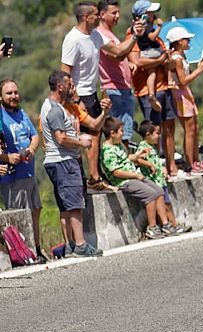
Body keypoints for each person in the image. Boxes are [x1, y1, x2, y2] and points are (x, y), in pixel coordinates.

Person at [61, 1, 144, 193]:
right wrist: (73, 100)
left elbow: (118, 52)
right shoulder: (73, 39)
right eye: (95, 15)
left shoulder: (95, 35)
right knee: (82, 139)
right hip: (78, 95)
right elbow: (65, 73)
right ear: (85, 17)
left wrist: (134, 36)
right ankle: (89, 179)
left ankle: (94, 178)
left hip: (91, 93)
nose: (99, 18)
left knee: (95, 136)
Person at [40, 71, 102, 257]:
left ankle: (69, 246)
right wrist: (81, 142)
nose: (72, 87)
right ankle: (81, 245)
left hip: (57, 161)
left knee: (65, 205)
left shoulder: (52, 107)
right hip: (64, 161)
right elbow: (61, 138)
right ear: (60, 87)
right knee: (75, 204)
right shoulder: (56, 110)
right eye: (69, 84)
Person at [101, 117, 176, 239]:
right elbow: (117, 172)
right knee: (150, 195)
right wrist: (135, 175)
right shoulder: (107, 151)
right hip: (125, 181)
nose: (123, 134)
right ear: (112, 133)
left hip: (134, 176)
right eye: (121, 131)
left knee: (158, 191)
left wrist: (137, 156)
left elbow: (125, 158)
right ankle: (152, 227)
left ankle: (165, 224)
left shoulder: (117, 145)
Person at [127, 13, 178, 179]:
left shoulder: (157, 38)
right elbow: (139, 61)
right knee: (153, 132)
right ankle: (155, 168)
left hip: (165, 89)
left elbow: (167, 61)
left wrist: (167, 59)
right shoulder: (132, 37)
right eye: (149, 15)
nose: (152, 18)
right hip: (146, 91)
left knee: (169, 128)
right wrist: (160, 60)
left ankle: (171, 166)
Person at [0, 80, 46, 263]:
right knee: (19, 215)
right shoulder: (1, 117)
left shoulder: (21, 113)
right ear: (1, 97)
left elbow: (34, 136)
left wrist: (32, 150)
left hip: (29, 172)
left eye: (15, 92)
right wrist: (7, 158)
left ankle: (37, 250)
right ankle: (21, 254)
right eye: (9, 93)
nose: (13, 96)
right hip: (12, 177)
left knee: (35, 210)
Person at [166, 26, 203, 175]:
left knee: (194, 129)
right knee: (189, 130)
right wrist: (200, 69)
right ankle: (191, 163)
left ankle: (195, 160)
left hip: (184, 94)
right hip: (180, 95)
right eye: (187, 39)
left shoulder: (180, 57)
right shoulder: (177, 59)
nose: (189, 42)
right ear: (179, 42)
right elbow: (183, 81)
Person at [133, 120, 189, 234]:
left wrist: (162, 169)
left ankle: (173, 225)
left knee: (167, 204)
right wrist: (149, 165)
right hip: (154, 182)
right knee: (164, 204)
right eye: (156, 133)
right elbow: (137, 159)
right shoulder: (143, 147)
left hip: (160, 180)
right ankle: (169, 225)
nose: (158, 136)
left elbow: (156, 161)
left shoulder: (152, 147)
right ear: (148, 134)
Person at [97, 0, 138, 150]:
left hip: (122, 88)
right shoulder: (101, 35)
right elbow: (118, 54)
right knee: (121, 134)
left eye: (118, 12)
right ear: (102, 14)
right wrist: (134, 36)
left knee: (124, 132)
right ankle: (123, 168)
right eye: (114, 13)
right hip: (115, 89)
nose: (118, 16)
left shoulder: (109, 34)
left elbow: (120, 57)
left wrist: (129, 65)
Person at [131, 0, 164, 113]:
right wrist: (159, 27)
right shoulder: (147, 25)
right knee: (166, 55)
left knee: (152, 73)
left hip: (145, 52)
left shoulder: (136, 27)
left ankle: (151, 94)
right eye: (150, 12)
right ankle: (155, 91)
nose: (153, 15)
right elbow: (152, 37)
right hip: (152, 52)